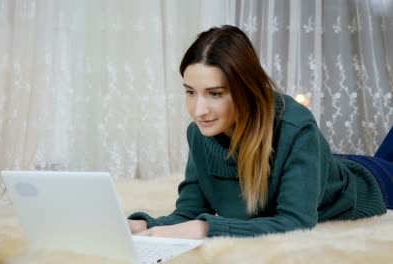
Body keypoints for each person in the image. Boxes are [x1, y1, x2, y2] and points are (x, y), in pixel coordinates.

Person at [128, 25, 393, 239]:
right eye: (190, 92)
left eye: (215, 94)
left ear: (245, 89)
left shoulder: (296, 127)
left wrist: (207, 228)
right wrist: (142, 225)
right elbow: (188, 213)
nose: (199, 111)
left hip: (375, 182)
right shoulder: (199, 134)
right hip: (322, 166)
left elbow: (296, 222)